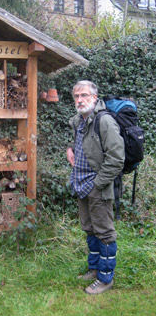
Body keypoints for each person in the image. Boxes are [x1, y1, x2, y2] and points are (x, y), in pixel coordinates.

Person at [67, 80, 125, 295]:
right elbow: (83, 144)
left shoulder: (105, 121)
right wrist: (70, 148)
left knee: (105, 233)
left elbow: (117, 158)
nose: (79, 100)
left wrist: (98, 183)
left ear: (94, 97)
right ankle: (94, 269)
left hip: (98, 186)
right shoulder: (80, 121)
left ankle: (105, 278)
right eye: (76, 96)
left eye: (83, 95)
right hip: (81, 184)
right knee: (89, 229)